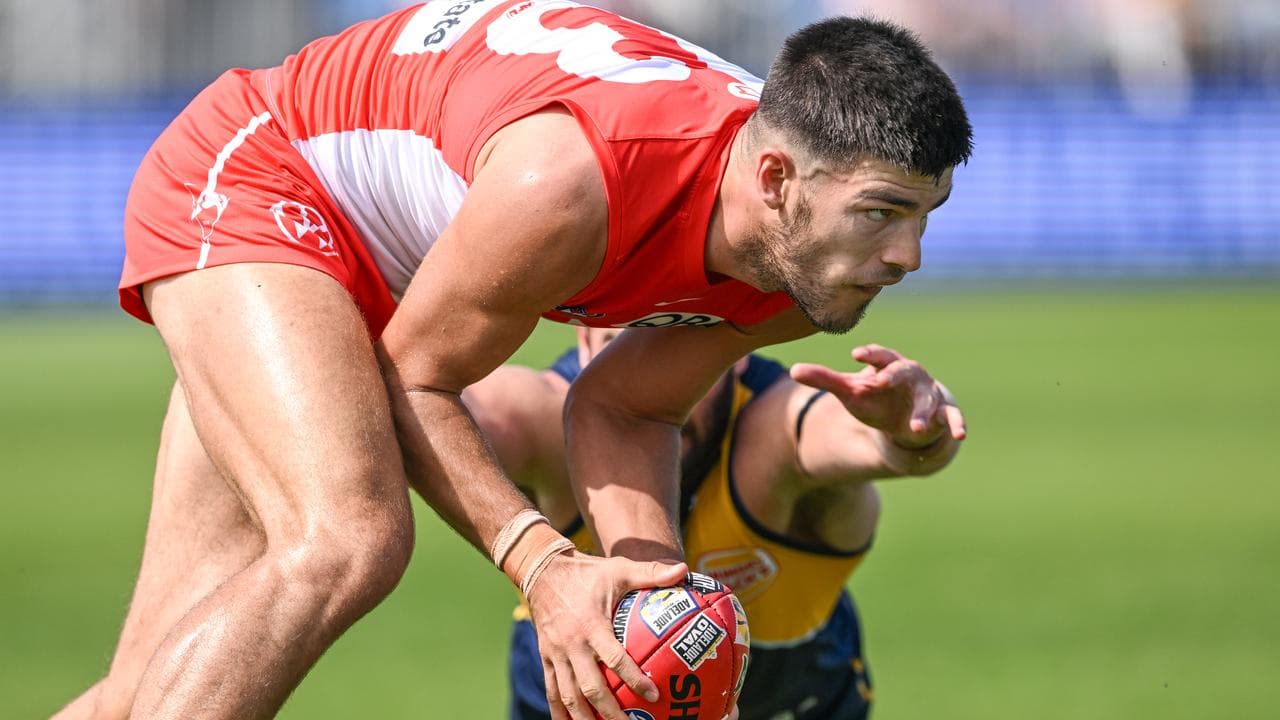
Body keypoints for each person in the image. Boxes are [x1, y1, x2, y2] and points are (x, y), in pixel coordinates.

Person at [56, 2, 972, 719]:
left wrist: (650, 602)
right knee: (350, 538)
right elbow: (412, 377)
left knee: (155, 687)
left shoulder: (795, 264)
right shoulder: (574, 181)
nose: (908, 257)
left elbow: (628, 409)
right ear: (776, 181)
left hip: (374, 259)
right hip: (263, 172)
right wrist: (545, 568)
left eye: (923, 216)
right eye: (882, 212)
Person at [462, 329, 963, 720]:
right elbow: (433, 409)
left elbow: (846, 434)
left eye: (670, 355)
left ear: (731, 353)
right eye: (616, 349)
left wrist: (913, 431)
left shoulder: (772, 429)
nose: (641, 388)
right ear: (584, 344)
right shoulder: (547, 424)